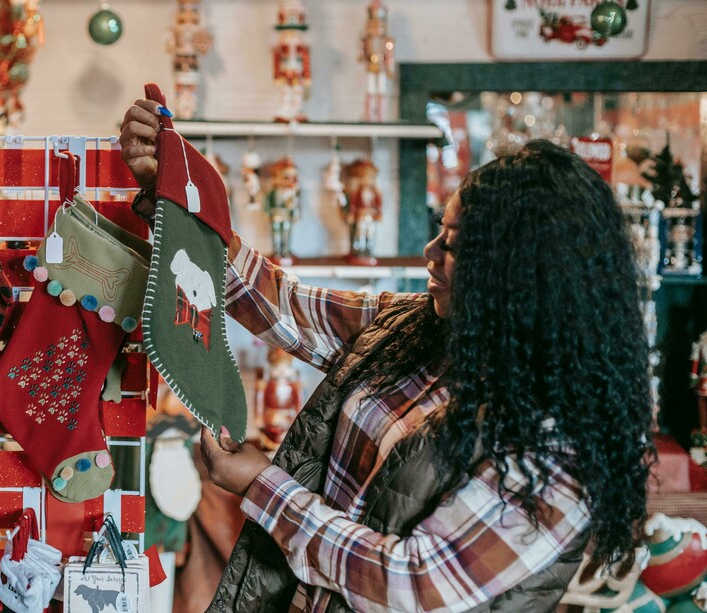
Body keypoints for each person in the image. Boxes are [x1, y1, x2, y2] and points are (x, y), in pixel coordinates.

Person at [119, 99, 654, 612]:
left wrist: (264, 487)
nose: (430, 253)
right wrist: (173, 192)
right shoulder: (421, 328)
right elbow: (284, 306)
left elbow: (411, 586)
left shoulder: (555, 449)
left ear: (525, 274)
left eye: (456, 245)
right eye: (439, 232)